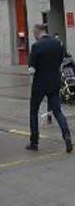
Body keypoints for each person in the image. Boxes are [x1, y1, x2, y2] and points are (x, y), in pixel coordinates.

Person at [27, 23, 73, 152]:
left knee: (33, 111)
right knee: (57, 111)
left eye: (34, 32)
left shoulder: (36, 46)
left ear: (38, 31)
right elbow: (63, 61)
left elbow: (31, 70)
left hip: (40, 84)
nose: (33, 35)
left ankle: (34, 142)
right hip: (55, 82)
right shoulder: (58, 43)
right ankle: (67, 135)